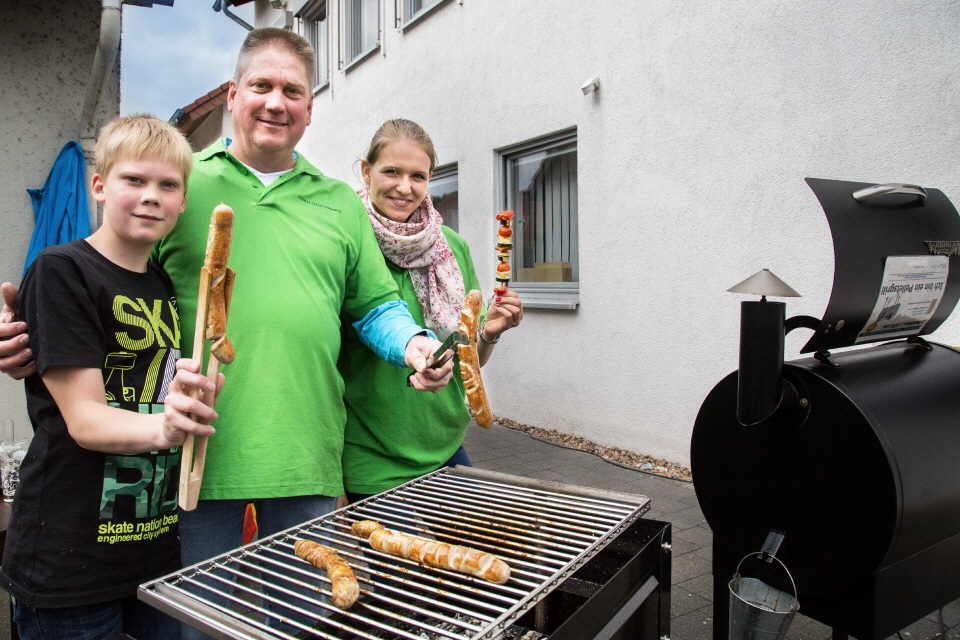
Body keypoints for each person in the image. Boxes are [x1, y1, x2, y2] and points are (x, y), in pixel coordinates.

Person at [1, 28, 454, 638]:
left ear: (310, 107)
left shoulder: (340, 203)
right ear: (234, 95)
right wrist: (29, 335)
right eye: (261, 85)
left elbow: (374, 307)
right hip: (192, 462)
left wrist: (414, 344)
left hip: (304, 456)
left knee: (301, 625)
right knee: (202, 628)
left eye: (292, 91)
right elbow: (110, 281)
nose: (276, 102)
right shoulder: (181, 181)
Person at [0, 115, 222, 640]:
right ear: (99, 186)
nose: (151, 197)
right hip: (69, 559)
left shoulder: (161, 282)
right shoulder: (62, 270)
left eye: (168, 185)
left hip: (152, 548)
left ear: (183, 202)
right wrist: (167, 428)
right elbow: (85, 420)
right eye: (134, 180)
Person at [340, 119, 523, 503]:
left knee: (471, 544)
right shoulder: (348, 243)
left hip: (447, 446)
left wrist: (489, 332)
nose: (405, 187)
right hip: (372, 458)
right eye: (392, 171)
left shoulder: (450, 248)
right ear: (366, 171)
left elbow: (469, 361)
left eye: (417, 176)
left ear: (430, 179)